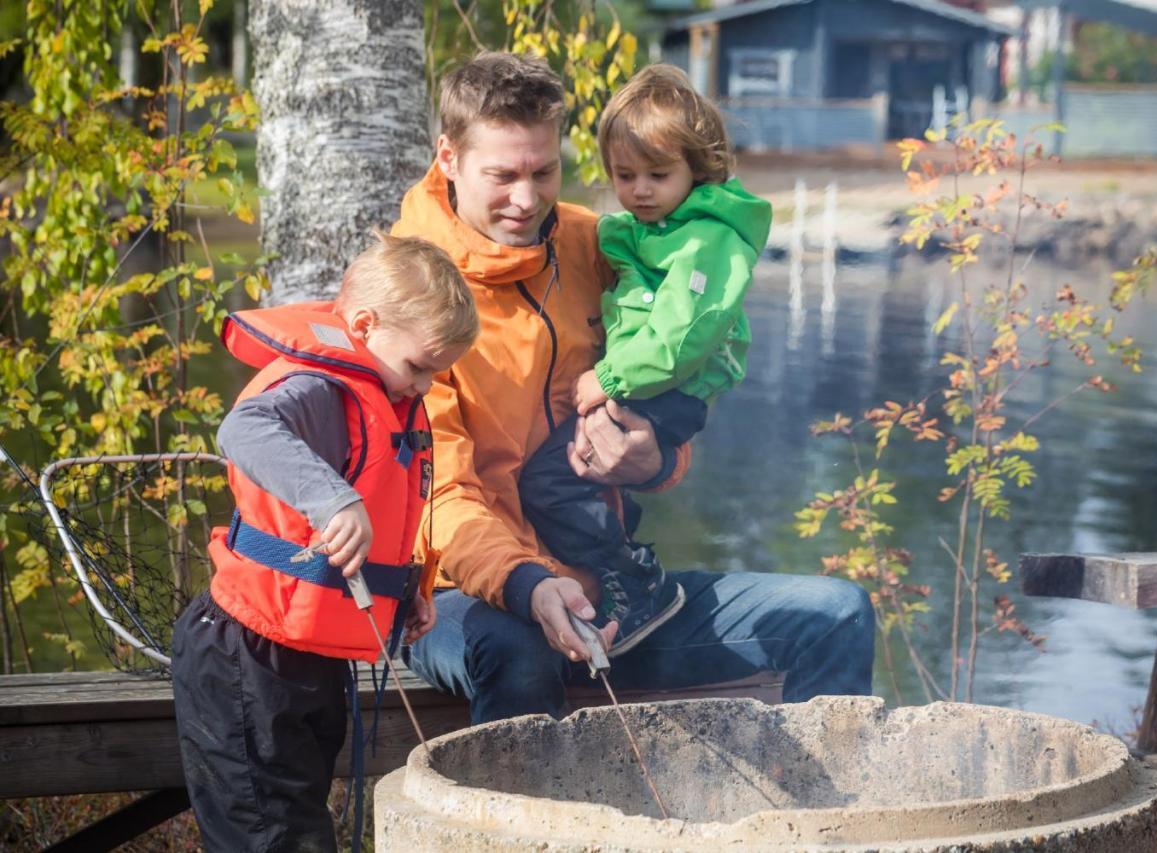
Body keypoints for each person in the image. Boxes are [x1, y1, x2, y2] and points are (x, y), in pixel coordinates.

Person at [394, 51, 875, 726]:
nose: (527, 199)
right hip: (461, 593)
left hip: (616, 596)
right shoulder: (409, 294)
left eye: (544, 171)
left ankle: (814, 827)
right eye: (502, 176)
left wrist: (654, 458)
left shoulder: (598, 245)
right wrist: (529, 583)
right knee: (521, 650)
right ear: (448, 158)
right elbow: (436, 497)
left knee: (835, 614)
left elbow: (673, 385)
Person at [171, 233, 478, 852]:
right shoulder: (320, 386)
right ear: (364, 326)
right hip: (246, 652)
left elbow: (385, 518)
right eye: (419, 366)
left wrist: (407, 590)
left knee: (302, 826)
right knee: (269, 836)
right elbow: (245, 430)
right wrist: (335, 498)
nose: (423, 387)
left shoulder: (390, 398)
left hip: (307, 659)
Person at [518, 64, 772, 654]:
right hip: (647, 382)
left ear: (698, 168)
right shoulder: (655, 229)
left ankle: (634, 579)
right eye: (624, 175)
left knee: (552, 478)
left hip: (664, 386)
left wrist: (608, 375)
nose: (640, 191)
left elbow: (684, 336)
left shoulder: (706, 240)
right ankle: (617, 576)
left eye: (659, 175)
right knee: (572, 473)